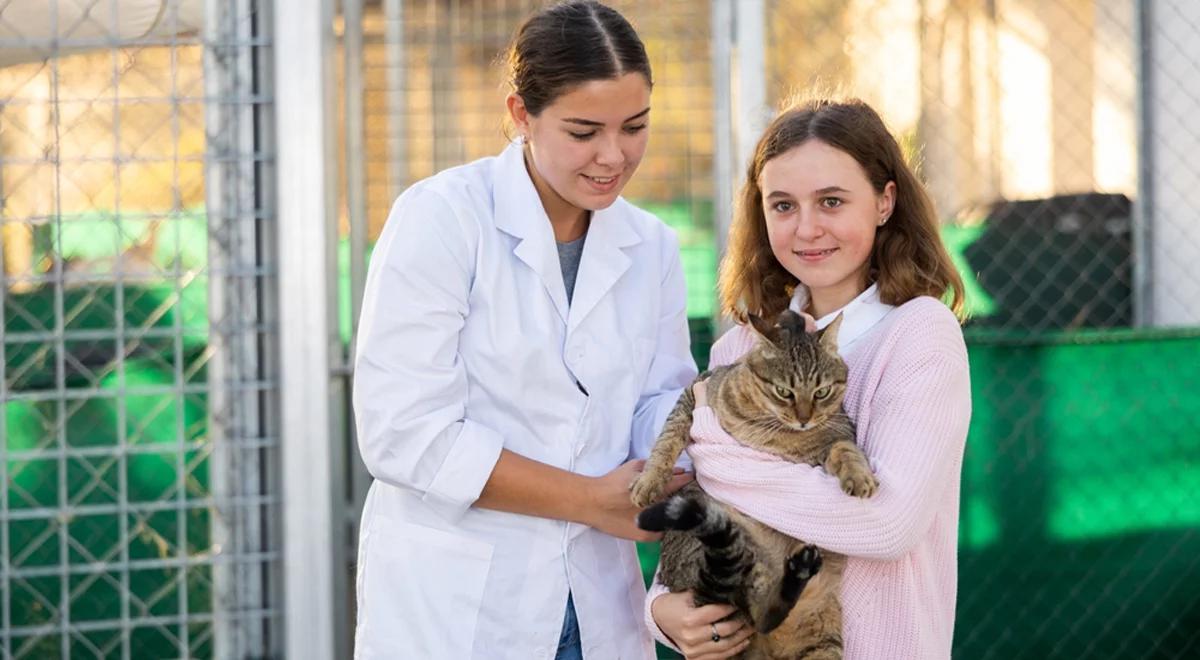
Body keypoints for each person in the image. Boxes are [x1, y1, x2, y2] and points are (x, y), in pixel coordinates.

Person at [351, 2, 697, 658]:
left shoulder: (652, 246)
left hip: (598, 602)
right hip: (463, 609)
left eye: (635, 127)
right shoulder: (442, 220)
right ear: (520, 115)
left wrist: (675, 456)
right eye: (584, 131)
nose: (613, 156)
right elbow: (404, 433)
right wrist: (591, 499)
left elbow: (661, 400)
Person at [645, 97, 971, 660]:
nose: (808, 228)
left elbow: (884, 525)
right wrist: (662, 612)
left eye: (832, 201)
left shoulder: (920, 332)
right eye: (783, 205)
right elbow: (692, 517)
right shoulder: (741, 346)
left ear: (885, 201)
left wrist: (719, 449)